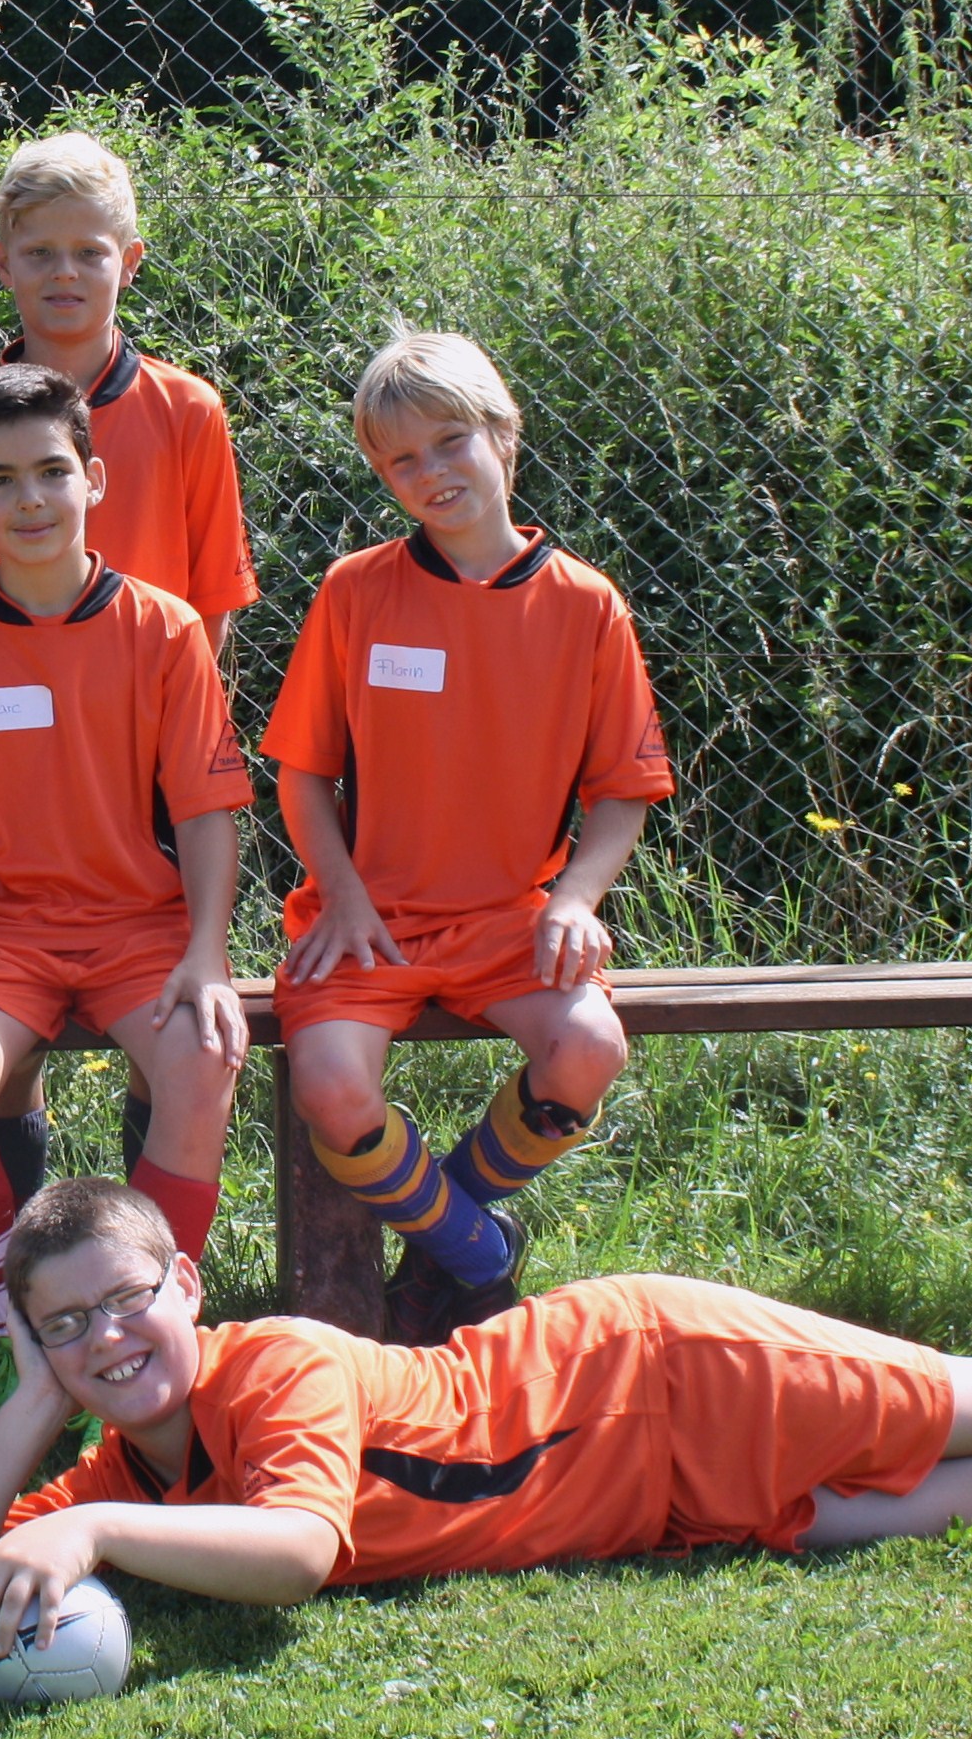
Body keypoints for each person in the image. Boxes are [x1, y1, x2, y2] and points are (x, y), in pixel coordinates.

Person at [0, 1177, 972, 1650]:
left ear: (188, 1286)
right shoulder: (127, 1467)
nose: (108, 1337)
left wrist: (89, 1534)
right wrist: (36, 1401)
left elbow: (297, 1552)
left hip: (659, 1375)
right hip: (644, 1507)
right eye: (68, 1323)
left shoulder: (272, 1364)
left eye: (127, 1300)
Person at [262, 331, 673, 1344]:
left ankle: (440, 1236)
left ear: (503, 435)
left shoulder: (584, 605)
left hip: (506, 921)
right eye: (401, 459)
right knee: (331, 1088)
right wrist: (341, 893)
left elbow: (624, 790)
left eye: (451, 442)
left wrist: (575, 898)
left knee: (588, 1048)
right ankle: (477, 1255)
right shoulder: (355, 590)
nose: (432, 472)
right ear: (380, 475)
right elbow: (301, 773)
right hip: (368, 920)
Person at [0, 131, 261, 1201]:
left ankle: (135, 1251)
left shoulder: (186, 410)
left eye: (88, 252)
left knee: (172, 1041)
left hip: (140, 774)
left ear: (128, 262)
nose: (64, 274)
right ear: (1, 262)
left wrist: (150, 736)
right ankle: (24, 1250)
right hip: (9, 787)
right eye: (39, 251)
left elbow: (213, 605)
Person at [0, 364, 250, 1342]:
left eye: (50, 471)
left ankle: (148, 1324)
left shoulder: (165, 629)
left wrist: (207, 954)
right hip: (2, 937)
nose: (29, 499)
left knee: (203, 1055)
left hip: (142, 929)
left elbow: (207, 815)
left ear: (94, 480)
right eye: (0, 480)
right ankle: (10, 1342)